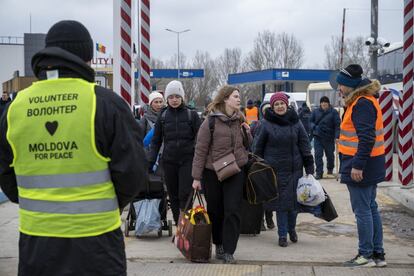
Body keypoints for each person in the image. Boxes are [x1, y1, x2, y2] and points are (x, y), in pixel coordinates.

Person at [0, 20, 147, 276]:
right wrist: (105, 204)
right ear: (87, 58)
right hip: (96, 242)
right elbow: (133, 173)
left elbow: (5, 174)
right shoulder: (105, 104)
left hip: (36, 242)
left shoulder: (15, 108)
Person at [192, 85, 251, 264]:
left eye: (239, 97)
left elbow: (247, 146)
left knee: (233, 210)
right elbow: (200, 150)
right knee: (216, 211)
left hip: (236, 170)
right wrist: (196, 177)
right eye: (235, 96)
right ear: (225, 99)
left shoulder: (240, 118)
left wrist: (248, 132)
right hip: (213, 172)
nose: (239, 100)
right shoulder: (209, 122)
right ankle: (218, 244)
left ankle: (229, 250)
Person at [336, 64, 386, 268]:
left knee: (363, 211)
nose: (338, 87)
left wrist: (357, 166)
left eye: (340, 84)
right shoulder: (363, 100)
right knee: (371, 208)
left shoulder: (362, 103)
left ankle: (365, 254)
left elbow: (366, 138)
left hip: (361, 166)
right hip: (370, 164)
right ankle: (377, 254)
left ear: (349, 84)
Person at [254, 92, 314, 247]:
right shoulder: (265, 123)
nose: (280, 106)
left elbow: (304, 144)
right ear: (272, 107)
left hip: (295, 169)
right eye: (276, 104)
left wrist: (309, 167)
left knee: (293, 204)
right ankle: (282, 235)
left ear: (287, 105)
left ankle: (292, 229)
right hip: (275, 170)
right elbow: (258, 148)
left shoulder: (296, 122)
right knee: (281, 204)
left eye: (282, 103)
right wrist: (258, 167)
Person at [150, 80, 201, 226]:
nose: (174, 100)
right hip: (169, 161)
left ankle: (186, 226)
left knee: (185, 194)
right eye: (171, 97)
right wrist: (150, 161)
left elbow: (201, 140)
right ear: (167, 98)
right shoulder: (163, 116)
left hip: (187, 160)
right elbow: (156, 141)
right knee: (173, 196)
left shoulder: (192, 115)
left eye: (177, 97)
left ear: (182, 97)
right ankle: (180, 226)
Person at [310, 96, 341, 179]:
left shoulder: (333, 112)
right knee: (318, 155)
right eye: (322, 102)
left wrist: (337, 136)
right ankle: (319, 172)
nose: (323, 104)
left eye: (325, 102)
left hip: (329, 138)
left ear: (328, 103)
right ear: (320, 103)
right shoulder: (315, 111)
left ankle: (330, 169)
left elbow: (337, 125)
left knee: (330, 155)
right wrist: (314, 127)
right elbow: (310, 122)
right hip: (318, 137)